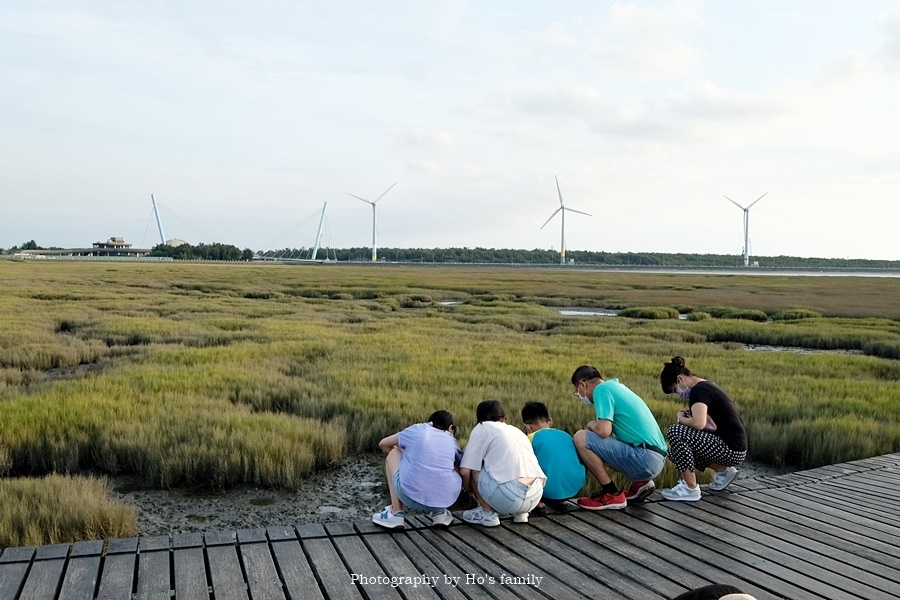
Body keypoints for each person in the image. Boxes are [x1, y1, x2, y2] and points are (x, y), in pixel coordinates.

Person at [571, 365, 667, 510]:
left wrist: (591, 425)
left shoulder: (601, 390)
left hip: (644, 458)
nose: (578, 395)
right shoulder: (617, 387)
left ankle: (611, 494)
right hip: (657, 458)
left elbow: (603, 431)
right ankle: (642, 483)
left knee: (580, 438)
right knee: (599, 444)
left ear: (582, 385)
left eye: (576, 390)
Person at [658, 357, 748, 502]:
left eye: (675, 390)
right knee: (674, 452)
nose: (677, 394)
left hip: (730, 448)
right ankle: (722, 471)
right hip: (735, 448)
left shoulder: (698, 391)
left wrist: (680, 418)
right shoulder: (707, 386)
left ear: (680, 379)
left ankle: (690, 487)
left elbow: (699, 424)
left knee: (676, 432)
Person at [459, 400, 546, 526]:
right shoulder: (516, 431)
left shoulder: (482, 428)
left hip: (508, 497)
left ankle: (487, 514)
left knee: (474, 465)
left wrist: (468, 491)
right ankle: (520, 514)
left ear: (479, 419)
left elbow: (465, 471)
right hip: (535, 495)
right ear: (502, 419)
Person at [372, 410, 462, 529]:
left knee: (394, 452)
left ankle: (396, 513)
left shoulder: (419, 429)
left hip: (408, 496)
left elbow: (383, 443)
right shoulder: (452, 441)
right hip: (446, 500)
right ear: (451, 428)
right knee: (446, 466)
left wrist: (405, 459)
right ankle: (440, 514)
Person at [521, 401, 586, 510]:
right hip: (574, 487)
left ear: (527, 426)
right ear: (550, 421)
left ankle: (538, 502)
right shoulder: (566, 435)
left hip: (547, 491)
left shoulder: (530, 438)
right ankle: (562, 501)